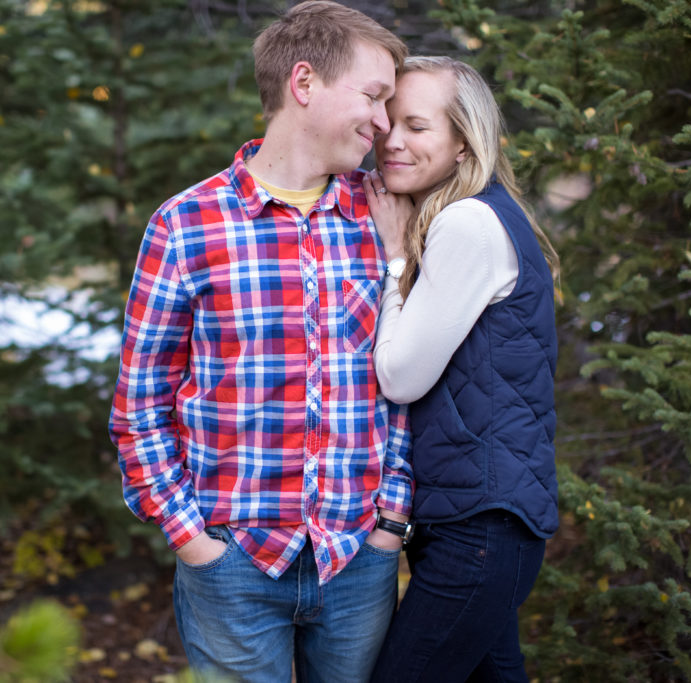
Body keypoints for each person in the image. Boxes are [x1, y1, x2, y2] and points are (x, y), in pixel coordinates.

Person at [109, 3, 414, 681]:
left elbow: (409, 378)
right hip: (232, 562)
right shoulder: (185, 225)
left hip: (356, 558)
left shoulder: (386, 214)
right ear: (304, 83)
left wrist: (391, 521)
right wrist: (190, 539)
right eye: (373, 95)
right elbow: (139, 408)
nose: (385, 122)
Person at [362, 55, 561, 683]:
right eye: (388, 121)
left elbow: (399, 377)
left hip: (479, 530)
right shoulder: (481, 213)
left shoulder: (468, 222)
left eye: (417, 126)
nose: (392, 139)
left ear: (461, 141)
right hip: (483, 525)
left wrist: (393, 260)